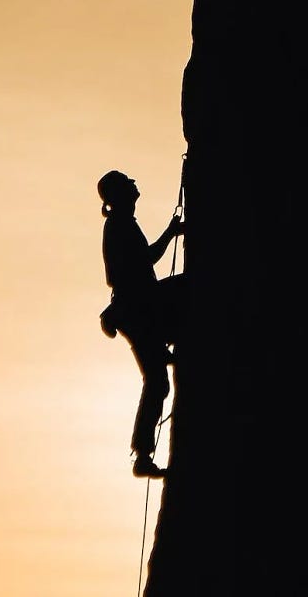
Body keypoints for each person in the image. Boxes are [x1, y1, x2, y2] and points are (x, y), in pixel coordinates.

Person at [96, 169, 186, 478]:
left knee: (157, 381)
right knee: (157, 381)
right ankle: (143, 454)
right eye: (129, 184)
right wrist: (171, 233)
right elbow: (145, 260)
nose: (135, 185)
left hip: (138, 309)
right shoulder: (119, 226)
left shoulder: (121, 225)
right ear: (121, 195)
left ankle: (143, 454)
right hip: (138, 309)